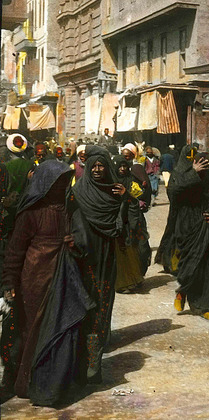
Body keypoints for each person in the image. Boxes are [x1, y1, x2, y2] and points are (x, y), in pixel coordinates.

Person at [0, 161, 94, 406]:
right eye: (57, 182)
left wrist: (75, 242)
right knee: (33, 333)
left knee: (61, 332)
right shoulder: (31, 213)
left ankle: (53, 386)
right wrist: (9, 281)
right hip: (35, 283)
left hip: (65, 280)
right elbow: (15, 251)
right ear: (45, 183)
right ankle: (29, 383)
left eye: (64, 181)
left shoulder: (71, 209)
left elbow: (85, 242)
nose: (61, 186)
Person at [70, 146, 127, 383]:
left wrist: (125, 199)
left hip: (106, 258)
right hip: (84, 259)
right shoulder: (78, 192)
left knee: (103, 303)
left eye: (101, 165)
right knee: (84, 306)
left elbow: (125, 227)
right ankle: (77, 364)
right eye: (93, 165)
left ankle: (94, 366)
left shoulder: (116, 192)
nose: (97, 170)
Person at [169, 146, 209, 321]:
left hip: (207, 229)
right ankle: (183, 290)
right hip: (187, 227)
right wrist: (193, 173)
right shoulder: (180, 176)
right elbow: (173, 192)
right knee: (189, 267)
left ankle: (202, 307)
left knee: (206, 268)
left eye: (207, 164)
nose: (204, 166)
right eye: (200, 163)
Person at [112, 155, 150, 293]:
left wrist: (127, 195)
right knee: (122, 252)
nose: (122, 169)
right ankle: (124, 283)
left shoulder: (132, 181)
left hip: (133, 221)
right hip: (118, 221)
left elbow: (138, 197)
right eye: (120, 166)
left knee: (139, 249)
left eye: (125, 166)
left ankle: (136, 278)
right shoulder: (110, 182)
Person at [121, 143, 152, 209]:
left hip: (134, 205)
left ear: (133, 155)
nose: (124, 158)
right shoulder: (121, 169)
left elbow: (146, 186)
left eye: (126, 156)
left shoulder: (136, 168)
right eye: (123, 156)